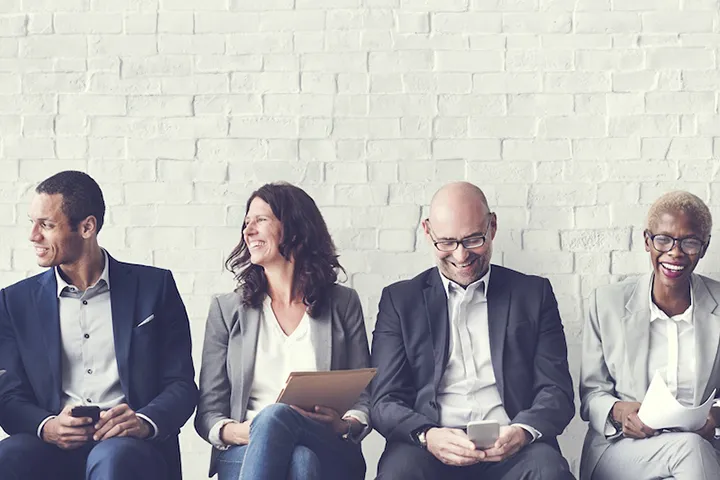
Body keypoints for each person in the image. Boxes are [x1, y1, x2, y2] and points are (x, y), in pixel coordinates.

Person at [0, 170, 197, 480]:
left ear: (87, 226)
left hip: (129, 446)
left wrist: (143, 421)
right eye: (32, 223)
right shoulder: (14, 302)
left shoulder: (154, 287)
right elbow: (8, 395)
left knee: (115, 459)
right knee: (7, 457)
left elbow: (181, 384)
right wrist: (47, 426)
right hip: (52, 446)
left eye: (46, 225)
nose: (33, 236)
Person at [371, 181, 575, 480]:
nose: (461, 255)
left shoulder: (533, 293)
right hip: (429, 447)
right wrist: (428, 435)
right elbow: (384, 400)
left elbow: (556, 390)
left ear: (492, 226)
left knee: (550, 473)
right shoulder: (400, 300)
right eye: (447, 242)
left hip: (514, 446)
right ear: (427, 231)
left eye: (472, 240)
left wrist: (521, 432)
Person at [194, 182, 372, 480]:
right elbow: (208, 413)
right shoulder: (227, 311)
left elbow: (365, 396)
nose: (248, 231)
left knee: (278, 418)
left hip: (326, 442)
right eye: (246, 222)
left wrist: (345, 424)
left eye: (260, 220)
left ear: (294, 228)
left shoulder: (343, 303)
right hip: (246, 448)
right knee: (300, 460)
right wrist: (244, 431)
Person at [580, 190, 720, 480]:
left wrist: (715, 417)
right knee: (690, 450)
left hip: (703, 446)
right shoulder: (607, 303)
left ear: (704, 248)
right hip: (623, 448)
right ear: (647, 241)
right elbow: (591, 394)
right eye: (664, 239)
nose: (675, 252)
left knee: (692, 448)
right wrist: (621, 413)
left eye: (690, 242)